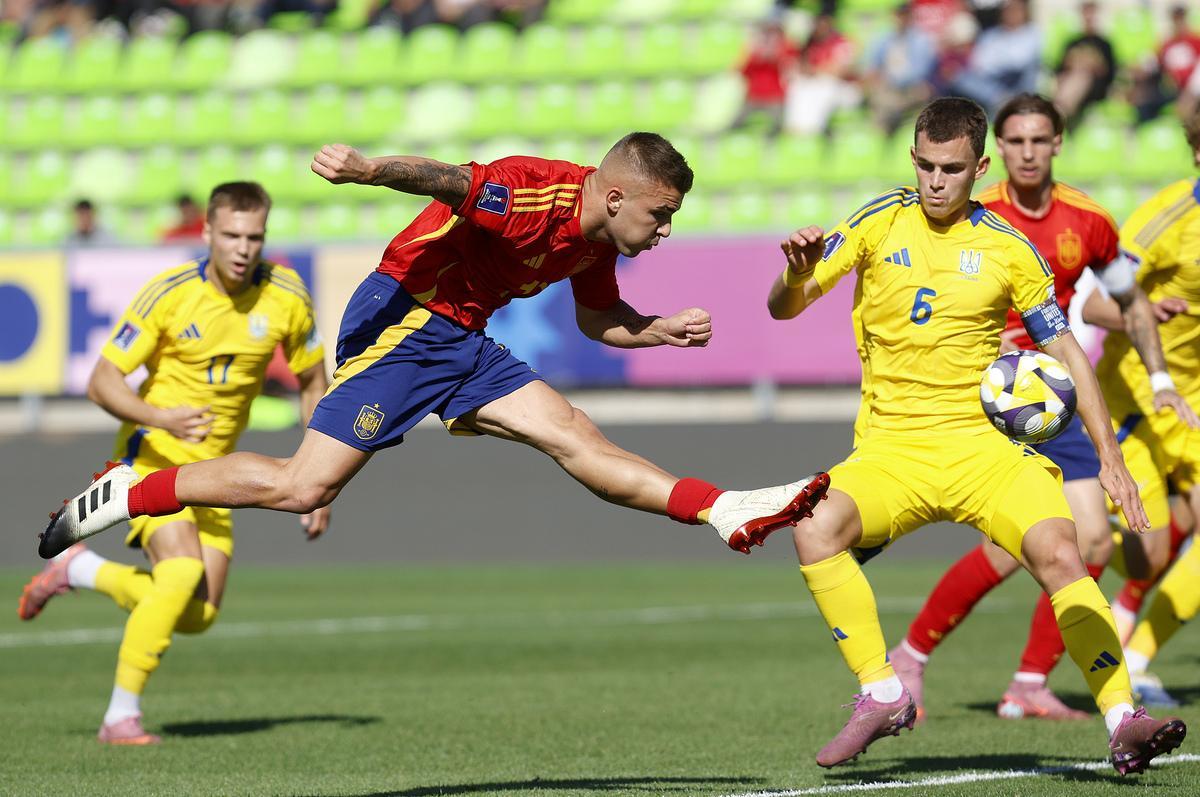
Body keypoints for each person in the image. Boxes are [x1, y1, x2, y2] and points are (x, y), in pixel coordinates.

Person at [38, 132, 831, 572]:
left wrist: (655, 328)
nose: (665, 230)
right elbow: (451, 181)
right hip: (406, 320)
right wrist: (368, 169)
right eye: (660, 215)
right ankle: (135, 488)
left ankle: (721, 507)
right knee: (300, 486)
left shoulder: (595, 244)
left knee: (572, 431)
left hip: (459, 336)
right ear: (615, 195)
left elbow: (599, 324)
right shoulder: (533, 193)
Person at [767, 96, 1185, 773]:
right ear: (912, 159)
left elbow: (1071, 350)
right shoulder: (877, 223)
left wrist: (1110, 457)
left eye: (951, 169)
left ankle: (1122, 717)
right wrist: (794, 270)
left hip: (982, 451)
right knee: (814, 528)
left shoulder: (1008, 247)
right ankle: (881, 690)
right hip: (890, 452)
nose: (936, 181)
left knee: (1062, 548)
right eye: (926, 166)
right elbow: (783, 308)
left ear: (978, 166)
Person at [882, 93, 1198, 724]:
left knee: (1095, 547)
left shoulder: (1089, 220)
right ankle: (911, 656)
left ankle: (1027, 682)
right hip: (991, 398)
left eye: (1038, 141)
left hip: (1054, 396)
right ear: (996, 151)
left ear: (1058, 144)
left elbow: (1120, 298)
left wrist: (1158, 371)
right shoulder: (974, 213)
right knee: (1021, 545)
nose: (1026, 153)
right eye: (1015, 142)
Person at [19, 182, 330, 744]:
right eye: (231, 235)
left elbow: (313, 382)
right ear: (207, 232)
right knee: (180, 572)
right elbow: (101, 382)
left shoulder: (287, 295)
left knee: (197, 615)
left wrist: (319, 475)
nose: (242, 248)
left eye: (254, 236)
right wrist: (160, 417)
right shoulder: (169, 293)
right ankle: (120, 717)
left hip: (217, 476)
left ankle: (80, 570)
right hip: (151, 462)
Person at [1076, 111, 1200, 710]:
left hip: (1196, 400)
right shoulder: (1166, 218)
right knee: (1146, 553)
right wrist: (1145, 310)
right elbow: (1096, 303)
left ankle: (1140, 655)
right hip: (1139, 397)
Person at [949, 0, 1041, 116]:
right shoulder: (991, 35)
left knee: (1030, 70)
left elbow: (1021, 61)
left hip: (1017, 80)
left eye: (1016, 11)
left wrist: (1001, 62)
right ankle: (1000, 99)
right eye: (1008, 11)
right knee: (959, 77)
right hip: (992, 80)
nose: (1012, 14)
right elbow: (980, 63)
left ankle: (1014, 101)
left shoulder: (1033, 33)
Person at [862, 2, 937, 137]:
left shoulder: (921, 39)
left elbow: (921, 71)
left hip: (911, 87)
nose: (901, 19)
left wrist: (895, 81)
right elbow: (871, 64)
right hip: (887, 87)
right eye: (898, 15)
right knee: (878, 97)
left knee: (916, 94)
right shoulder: (884, 38)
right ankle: (879, 141)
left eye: (905, 15)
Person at [1053, 1, 1116, 130]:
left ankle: (1060, 110)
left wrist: (1090, 65)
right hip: (1069, 83)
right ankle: (1062, 107)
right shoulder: (1072, 43)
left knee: (1082, 75)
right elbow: (1059, 70)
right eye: (1086, 13)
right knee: (1077, 75)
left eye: (1091, 13)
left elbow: (1110, 73)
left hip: (1096, 87)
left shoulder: (1104, 44)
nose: (1088, 17)